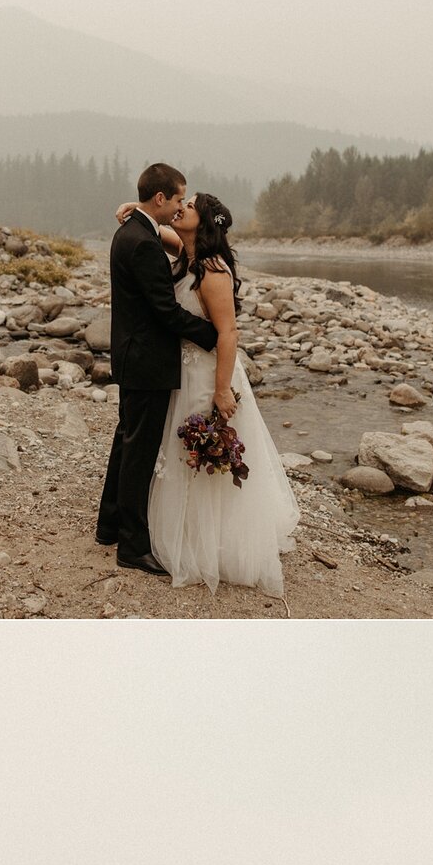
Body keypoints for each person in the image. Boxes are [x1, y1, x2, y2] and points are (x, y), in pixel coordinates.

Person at [117, 191, 300, 597]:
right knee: (179, 449)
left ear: (202, 221)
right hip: (181, 370)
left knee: (201, 448)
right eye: (180, 199)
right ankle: (179, 531)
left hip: (205, 375)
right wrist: (136, 211)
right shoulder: (188, 253)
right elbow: (159, 231)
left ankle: (211, 541)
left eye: (191, 203)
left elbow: (228, 334)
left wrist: (221, 391)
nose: (182, 206)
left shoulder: (213, 271)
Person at [96, 165, 221, 576]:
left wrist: (133, 205)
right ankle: (132, 545)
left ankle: (109, 525)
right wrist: (210, 334)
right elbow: (165, 311)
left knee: (125, 440)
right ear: (161, 198)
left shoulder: (132, 230)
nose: (182, 205)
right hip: (147, 361)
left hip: (133, 357)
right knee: (139, 452)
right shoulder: (144, 242)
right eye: (178, 198)